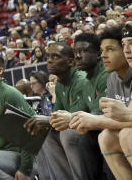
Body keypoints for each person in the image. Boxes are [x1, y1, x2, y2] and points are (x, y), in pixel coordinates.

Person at [70, 25, 132, 180]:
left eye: (110, 49)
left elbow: (129, 120)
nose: (103, 55)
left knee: (127, 134)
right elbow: (127, 118)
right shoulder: (112, 77)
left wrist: (95, 120)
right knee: (105, 137)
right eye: (125, 44)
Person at [26, 42, 99, 180]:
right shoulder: (59, 84)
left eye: (55, 56)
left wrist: (46, 119)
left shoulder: (81, 80)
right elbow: (57, 115)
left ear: (70, 61)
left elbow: (76, 117)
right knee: (41, 131)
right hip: (77, 128)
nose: (49, 60)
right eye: (48, 56)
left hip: (92, 130)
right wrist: (44, 121)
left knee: (67, 133)